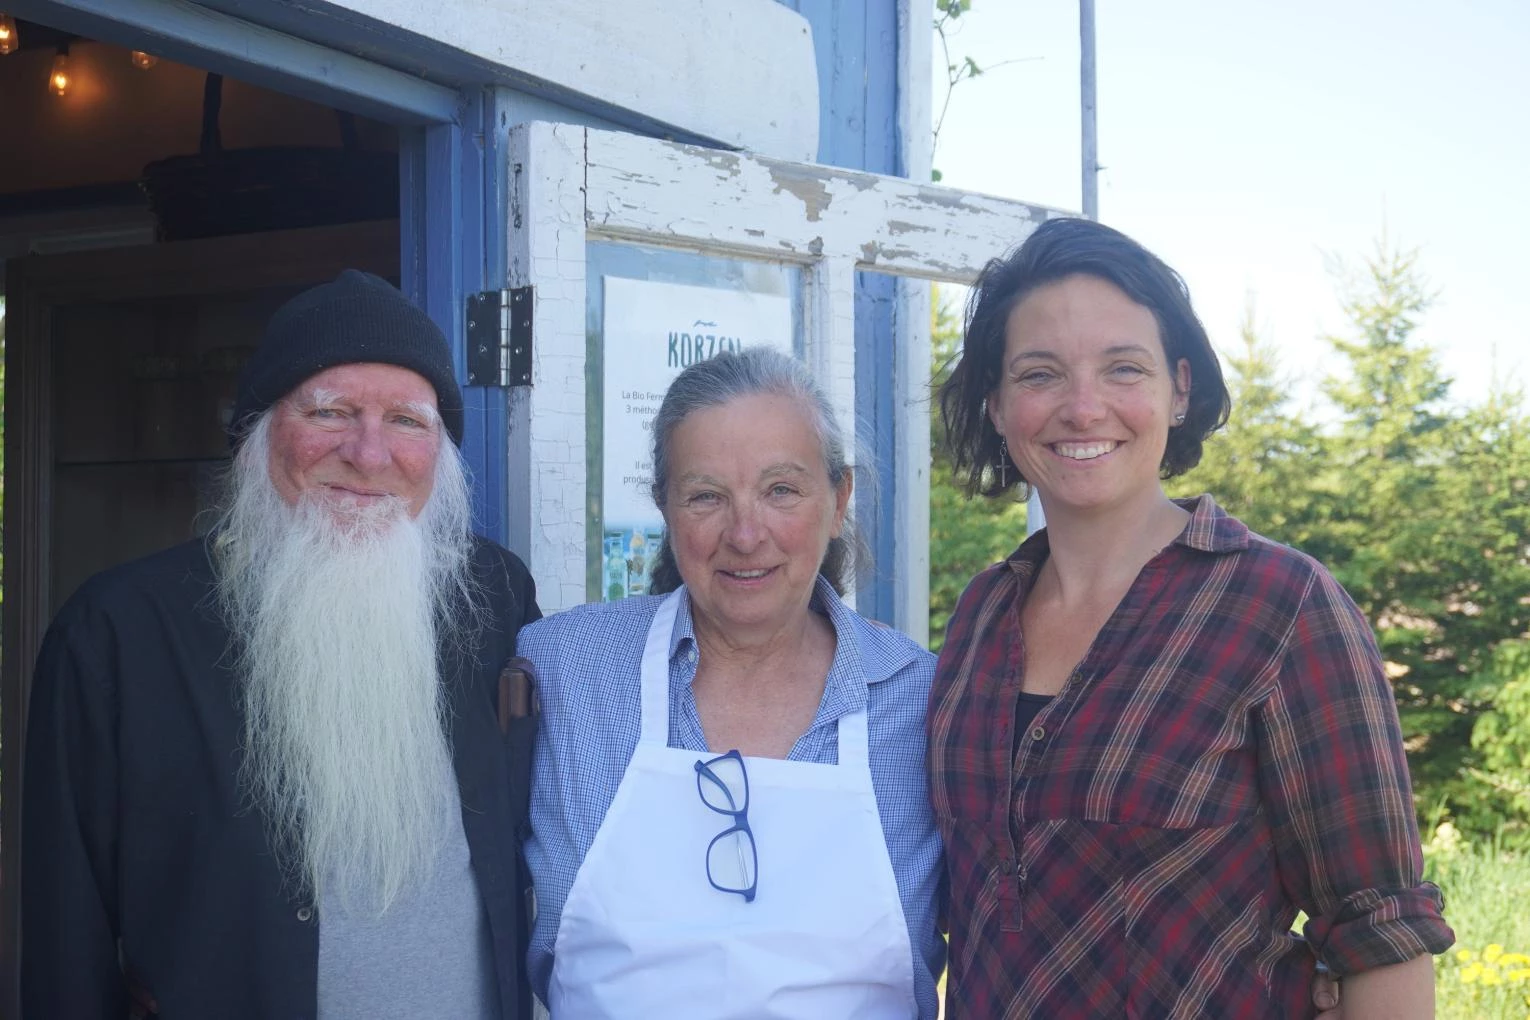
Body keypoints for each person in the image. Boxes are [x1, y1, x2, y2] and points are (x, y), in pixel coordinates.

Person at [930, 218, 1453, 1018]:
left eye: (1123, 368)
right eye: (1040, 374)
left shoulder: (1282, 608)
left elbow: (1380, 929)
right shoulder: (981, 617)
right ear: (997, 405)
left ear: (1178, 389)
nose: (1083, 407)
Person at [22, 271, 541, 1019]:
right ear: (256, 435)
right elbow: (66, 934)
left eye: (407, 421)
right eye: (329, 412)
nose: (369, 454)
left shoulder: (495, 594)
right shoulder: (117, 631)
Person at [521, 348, 944, 1018]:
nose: (746, 535)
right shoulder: (565, 669)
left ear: (838, 501)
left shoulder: (923, 699)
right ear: (665, 509)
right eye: (706, 497)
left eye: (781, 490)